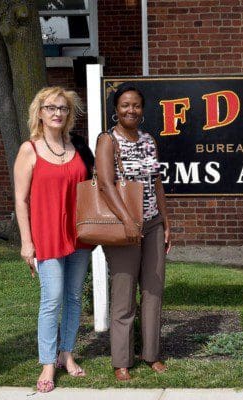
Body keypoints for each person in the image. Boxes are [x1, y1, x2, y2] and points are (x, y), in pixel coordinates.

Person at [13, 87, 95, 393]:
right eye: (51, 108)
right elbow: (21, 200)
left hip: (78, 234)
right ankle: (47, 362)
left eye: (63, 108)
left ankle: (67, 354)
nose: (57, 113)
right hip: (46, 235)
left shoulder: (79, 148)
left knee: (74, 297)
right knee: (52, 298)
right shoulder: (29, 150)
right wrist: (26, 242)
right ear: (40, 112)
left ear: (69, 114)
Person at [95, 84, 171, 381]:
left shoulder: (149, 140)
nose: (131, 110)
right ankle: (121, 360)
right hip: (123, 226)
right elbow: (105, 183)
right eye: (125, 105)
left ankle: (151, 354)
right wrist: (128, 219)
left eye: (136, 105)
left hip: (151, 223)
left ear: (142, 109)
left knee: (153, 290)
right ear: (116, 109)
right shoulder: (107, 140)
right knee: (124, 293)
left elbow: (157, 183)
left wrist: (165, 221)